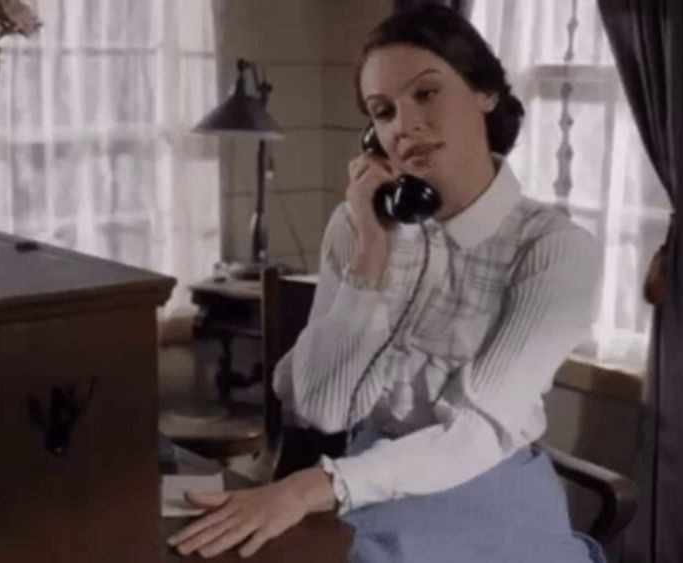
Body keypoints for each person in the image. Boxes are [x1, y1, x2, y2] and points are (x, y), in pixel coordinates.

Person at [167, 5, 603, 562]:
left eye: (426, 94)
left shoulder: (555, 249)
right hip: (362, 478)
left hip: (484, 485)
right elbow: (322, 409)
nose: (406, 126)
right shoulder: (360, 224)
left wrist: (309, 488)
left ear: (485, 92)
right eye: (383, 111)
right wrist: (373, 253)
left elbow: (472, 435)